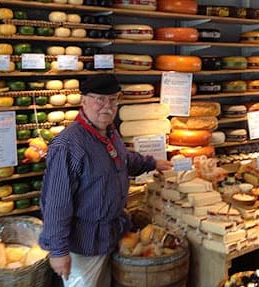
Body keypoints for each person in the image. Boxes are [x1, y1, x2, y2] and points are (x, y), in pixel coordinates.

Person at [39, 74, 173, 287]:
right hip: (84, 245)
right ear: (83, 101)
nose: (107, 106)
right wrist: (58, 250)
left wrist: (152, 163)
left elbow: (123, 159)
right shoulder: (68, 145)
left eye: (112, 99)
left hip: (109, 236)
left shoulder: (109, 132)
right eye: (99, 99)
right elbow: (56, 202)